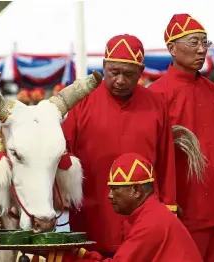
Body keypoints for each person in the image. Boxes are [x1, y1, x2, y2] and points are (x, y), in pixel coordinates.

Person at [61, 34, 177, 256]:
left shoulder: (156, 103)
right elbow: (65, 157)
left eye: (129, 74)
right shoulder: (81, 102)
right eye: (114, 72)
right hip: (92, 212)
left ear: (141, 72)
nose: (121, 80)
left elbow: (166, 158)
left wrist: (169, 206)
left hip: (143, 217)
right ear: (104, 66)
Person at [148, 13, 214, 261]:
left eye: (205, 43)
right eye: (194, 43)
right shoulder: (155, 95)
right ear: (171, 48)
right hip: (183, 210)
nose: (202, 50)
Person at [66, 153, 202, 261]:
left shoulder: (150, 223)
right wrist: (82, 255)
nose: (110, 195)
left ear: (136, 190)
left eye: (115, 189)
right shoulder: (152, 214)